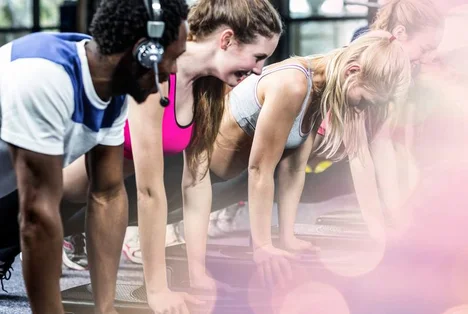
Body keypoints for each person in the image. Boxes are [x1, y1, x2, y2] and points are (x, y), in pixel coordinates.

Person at [55, 0, 282, 312]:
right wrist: (157, 290)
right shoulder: (156, 74)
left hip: (100, 199)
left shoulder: (208, 89)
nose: (258, 69)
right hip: (51, 193)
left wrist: (197, 273)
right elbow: (149, 192)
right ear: (226, 40)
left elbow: (196, 184)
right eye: (258, 57)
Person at [0, 0, 188, 312]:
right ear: (145, 52)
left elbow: (107, 194)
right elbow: (37, 217)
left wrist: (105, 308)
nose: (174, 69)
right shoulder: (44, 75)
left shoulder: (110, 87)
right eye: (173, 56)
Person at [208, 0, 445, 240]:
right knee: (244, 182)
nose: (427, 58)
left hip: (260, 161)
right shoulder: (354, 67)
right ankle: (219, 217)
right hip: (222, 162)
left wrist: (392, 219)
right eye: (425, 48)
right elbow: (360, 154)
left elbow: (375, 148)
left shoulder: (372, 78)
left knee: (283, 175)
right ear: (401, 33)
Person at [193, 31, 412, 288]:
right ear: (352, 71)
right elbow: (260, 169)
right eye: (363, 100)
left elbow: (293, 168)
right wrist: (263, 246)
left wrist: (287, 237)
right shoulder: (294, 85)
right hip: (199, 176)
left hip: (222, 180)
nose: (361, 108)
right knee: (144, 210)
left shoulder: (322, 90)